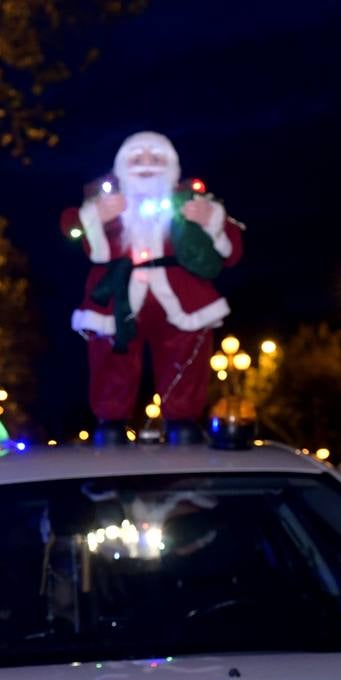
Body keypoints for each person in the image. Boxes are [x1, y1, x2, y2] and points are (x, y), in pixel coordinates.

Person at [60, 131, 245, 445]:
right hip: (118, 296)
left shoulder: (192, 202)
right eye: (137, 159)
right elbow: (74, 231)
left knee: (185, 353)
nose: (146, 165)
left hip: (182, 298)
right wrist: (94, 216)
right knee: (112, 356)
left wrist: (212, 220)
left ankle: (183, 419)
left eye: (156, 159)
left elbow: (232, 249)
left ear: (171, 166)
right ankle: (110, 420)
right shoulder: (107, 203)